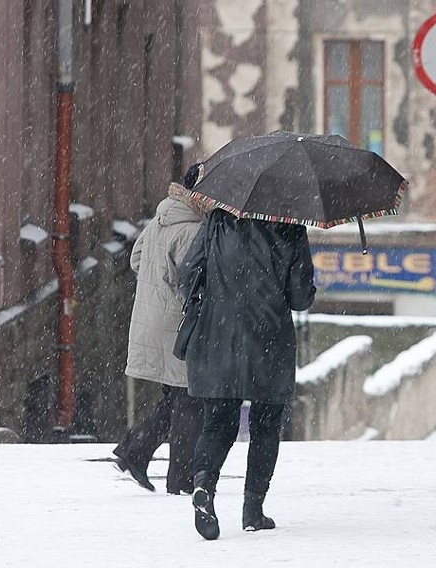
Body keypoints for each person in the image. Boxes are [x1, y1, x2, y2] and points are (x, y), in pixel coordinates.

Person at [177, 207, 316, 540]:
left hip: (216, 334)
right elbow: (299, 297)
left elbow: (186, 274)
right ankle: (253, 510)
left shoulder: (217, 220)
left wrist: (209, 301)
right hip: (269, 337)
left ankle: (204, 485)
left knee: (218, 422)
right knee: (266, 426)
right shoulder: (290, 227)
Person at [113, 167, 207, 495]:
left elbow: (137, 260)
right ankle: (180, 480)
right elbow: (191, 281)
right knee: (190, 399)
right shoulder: (191, 230)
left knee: (175, 396)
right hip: (175, 325)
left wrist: (157, 288)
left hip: (153, 318)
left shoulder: (162, 218)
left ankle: (134, 451)